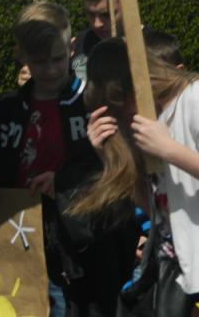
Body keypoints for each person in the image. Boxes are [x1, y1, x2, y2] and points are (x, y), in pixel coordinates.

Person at [0, 1, 136, 317]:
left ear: (71, 47)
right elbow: (4, 162)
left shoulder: (93, 103)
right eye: (39, 61)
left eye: (58, 59)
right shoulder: (9, 108)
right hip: (22, 238)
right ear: (20, 56)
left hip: (80, 243)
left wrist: (62, 183)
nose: (51, 70)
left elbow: (115, 170)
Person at [78, 38, 199, 315]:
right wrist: (109, 155)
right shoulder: (152, 120)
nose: (126, 115)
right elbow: (156, 210)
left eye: (121, 104)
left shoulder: (193, 99)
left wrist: (169, 150)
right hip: (176, 276)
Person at [72, 0, 122, 80]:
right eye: (90, 14)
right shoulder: (81, 42)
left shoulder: (149, 46)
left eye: (106, 15)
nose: (96, 24)